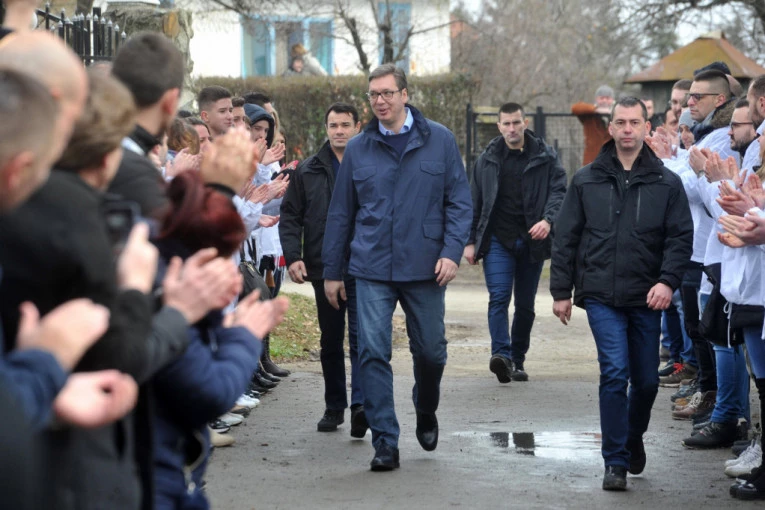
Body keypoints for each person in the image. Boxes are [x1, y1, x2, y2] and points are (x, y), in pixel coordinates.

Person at [322, 64, 472, 471]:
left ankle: (426, 406)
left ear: (405, 95)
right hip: (371, 266)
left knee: (432, 352)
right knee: (372, 351)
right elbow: (341, 214)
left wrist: (451, 251)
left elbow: (459, 202)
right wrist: (333, 272)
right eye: (374, 95)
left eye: (388, 93)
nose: (380, 101)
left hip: (426, 266)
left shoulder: (439, 140)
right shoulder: (359, 148)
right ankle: (385, 440)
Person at [550, 97, 693, 491]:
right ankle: (614, 461)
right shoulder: (586, 180)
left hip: (648, 296)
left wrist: (667, 281)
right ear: (610, 128)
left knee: (646, 383)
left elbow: (680, 238)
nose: (627, 129)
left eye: (635, 122)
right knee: (614, 372)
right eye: (621, 122)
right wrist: (561, 290)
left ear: (647, 127)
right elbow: (565, 238)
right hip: (601, 294)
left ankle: (632, 437)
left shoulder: (667, 183)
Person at [152, 168, 289, 510]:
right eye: (223, 257)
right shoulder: (169, 309)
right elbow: (209, 392)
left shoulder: (178, 298)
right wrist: (243, 337)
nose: (232, 272)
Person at [464, 102, 566, 383]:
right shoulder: (486, 160)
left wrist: (547, 220)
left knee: (525, 305)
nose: (512, 128)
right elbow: (474, 202)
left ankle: (517, 359)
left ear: (525, 123)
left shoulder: (546, 157)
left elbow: (559, 192)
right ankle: (501, 355)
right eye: (506, 124)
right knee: (498, 297)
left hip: (532, 240)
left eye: (516, 123)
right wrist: (470, 241)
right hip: (498, 239)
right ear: (499, 127)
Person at [280, 103, 366, 434]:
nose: (339, 131)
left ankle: (360, 405)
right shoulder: (308, 170)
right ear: (326, 128)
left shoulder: (370, 164)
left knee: (361, 338)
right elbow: (290, 215)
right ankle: (334, 406)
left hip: (363, 265)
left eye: (345, 124)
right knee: (331, 340)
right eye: (333, 125)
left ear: (358, 127)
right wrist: (293, 256)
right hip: (322, 266)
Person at [572, 84, 614, 165]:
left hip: (611, 159)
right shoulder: (589, 114)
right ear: (596, 99)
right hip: (591, 160)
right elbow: (575, 108)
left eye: (607, 98)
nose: (604, 101)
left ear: (612, 100)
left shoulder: (616, 114)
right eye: (601, 98)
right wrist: (596, 110)